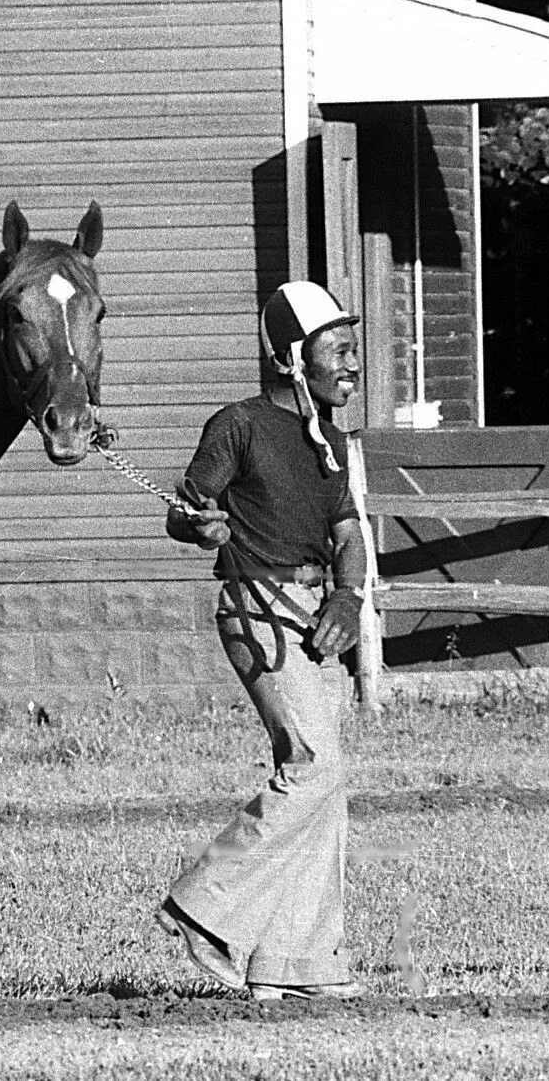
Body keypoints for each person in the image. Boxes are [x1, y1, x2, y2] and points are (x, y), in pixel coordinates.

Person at [154, 280, 368, 1001]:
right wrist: (198, 525)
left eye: (351, 349)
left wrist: (347, 593)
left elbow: (348, 534)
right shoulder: (238, 424)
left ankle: (299, 964)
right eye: (336, 350)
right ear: (290, 359)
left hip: (314, 610)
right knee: (315, 763)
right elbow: (192, 508)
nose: (351, 364)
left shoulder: (329, 440)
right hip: (257, 602)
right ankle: (202, 907)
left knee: (325, 782)